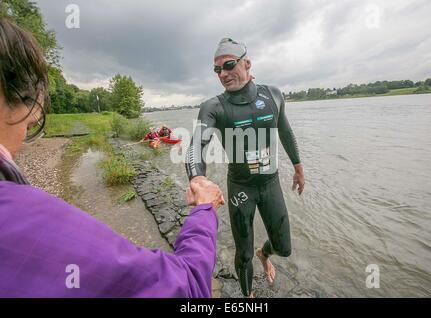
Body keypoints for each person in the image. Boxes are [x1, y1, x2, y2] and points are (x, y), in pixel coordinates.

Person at [0, 19, 225, 298]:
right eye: (32, 123)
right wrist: (204, 210)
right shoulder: (18, 213)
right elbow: (185, 286)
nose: (27, 131)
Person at [185, 38, 305, 297]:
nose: (223, 74)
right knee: (244, 254)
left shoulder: (273, 94)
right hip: (241, 187)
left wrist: (298, 168)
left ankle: (266, 254)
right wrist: (198, 179)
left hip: (270, 183)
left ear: (247, 63)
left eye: (229, 65)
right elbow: (197, 144)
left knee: (283, 247)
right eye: (217, 70)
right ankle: (248, 296)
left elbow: (285, 131)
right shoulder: (214, 107)